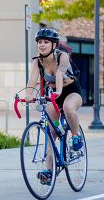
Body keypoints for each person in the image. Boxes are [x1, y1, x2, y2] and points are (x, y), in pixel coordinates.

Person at [25, 28, 83, 185]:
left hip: (71, 91)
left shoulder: (62, 56)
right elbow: (33, 79)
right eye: (39, 42)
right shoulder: (37, 61)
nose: (42, 45)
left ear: (53, 44)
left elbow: (59, 73)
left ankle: (76, 137)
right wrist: (28, 95)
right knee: (51, 132)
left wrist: (58, 90)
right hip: (53, 94)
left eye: (46, 42)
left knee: (69, 108)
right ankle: (49, 170)